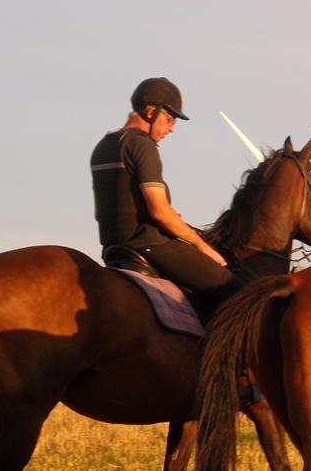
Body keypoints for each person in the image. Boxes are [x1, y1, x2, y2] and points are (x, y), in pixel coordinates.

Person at [91, 76, 238, 314]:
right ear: (150, 112)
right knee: (234, 290)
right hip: (149, 244)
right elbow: (159, 212)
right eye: (169, 119)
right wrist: (202, 245)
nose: (172, 128)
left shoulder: (105, 144)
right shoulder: (142, 145)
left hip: (113, 246)